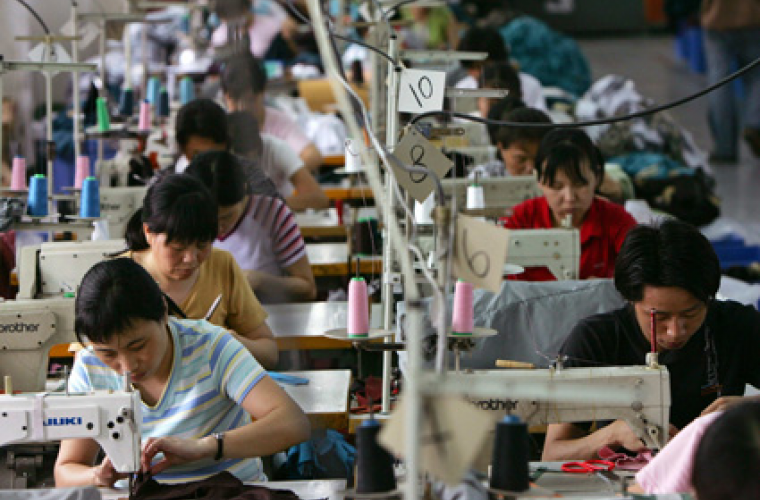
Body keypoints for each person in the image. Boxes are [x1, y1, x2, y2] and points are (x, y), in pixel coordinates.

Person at [54, 258, 310, 487]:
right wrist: (97, 476)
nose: (127, 367)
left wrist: (206, 447)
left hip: (227, 493)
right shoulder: (89, 366)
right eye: (108, 354)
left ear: (163, 312)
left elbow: (293, 423)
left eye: (138, 346)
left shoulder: (210, 347)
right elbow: (66, 470)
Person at [542, 219, 760, 461]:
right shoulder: (596, 340)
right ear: (631, 299)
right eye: (659, 317)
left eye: (690, 314)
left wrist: (751, 409)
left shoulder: (738, 326)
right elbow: (552, 454)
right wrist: (612, 435)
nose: (675, 332)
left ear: (709, 298)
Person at [122, 173, 279, 369]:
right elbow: (100, 359)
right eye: (178, 248)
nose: (191, 258)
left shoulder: (221, 265)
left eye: (202, 245)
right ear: (148, 233)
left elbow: (270, 353)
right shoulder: (120, 278)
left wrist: (234, 344)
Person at [500, 128, 637, 281]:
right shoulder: (517, 220)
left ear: (597, 178)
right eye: (557, 186)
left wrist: (609, 287)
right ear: (539, 180)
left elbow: (642, 274)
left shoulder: (617, 221)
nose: (569, 198)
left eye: (580, 184)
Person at [185, 150, 316, 303]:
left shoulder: (271, 214)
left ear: (244, 190)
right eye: (209, 219)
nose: (218, 228)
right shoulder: (186, 216)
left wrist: (260, 281)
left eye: (227, 217)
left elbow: (308, 288)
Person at [221, 52, 324, 175]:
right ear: (225, 97)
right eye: (234, 100)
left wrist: (282, 173)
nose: (242, 108)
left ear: (263, 92)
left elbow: (312, 155)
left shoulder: (278, 122)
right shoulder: (219, 127)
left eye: (250, 100)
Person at [174, 98, 281, 201]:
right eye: (197, 155)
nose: (204, 164)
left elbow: (275, 209)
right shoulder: (172, 184)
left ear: (226, 145)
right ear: (184, 150)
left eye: (212, 155)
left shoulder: (251, 177)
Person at [226, 110, 328, 210]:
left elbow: (319, 199)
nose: (248, 165)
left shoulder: (277, 148)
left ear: (260, 139)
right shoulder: (224, 155)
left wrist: (270, 204)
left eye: (250, 158)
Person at [701, 0, 760, 163]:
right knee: (757, 75)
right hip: (753, 16)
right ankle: (755, 123)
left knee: (719, 80)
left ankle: (724, 147)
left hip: (717, 17)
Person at [470, 106, 552, 179]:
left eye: (539, 160)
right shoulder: (482, 177)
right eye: (521, 159)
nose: (531, 168)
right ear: (501, 147)